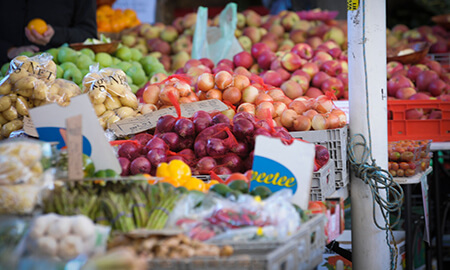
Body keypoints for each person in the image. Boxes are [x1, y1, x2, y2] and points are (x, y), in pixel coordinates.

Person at [0, 0, 98, 65]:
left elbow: (89, 35)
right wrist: (8, 50)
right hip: (4, 67)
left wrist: (56, 34)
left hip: (57, 78)